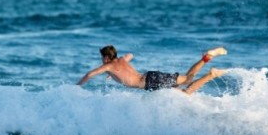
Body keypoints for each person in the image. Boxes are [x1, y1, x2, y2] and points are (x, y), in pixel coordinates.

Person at [77, 45, 227, 94]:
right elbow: (130, 55)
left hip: (150, 83)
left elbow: (90, 74)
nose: (101, 60)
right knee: (187, 79)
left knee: (186, 93)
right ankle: (206, 58)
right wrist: (113, 73)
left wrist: (76, 87)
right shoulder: (121, 59)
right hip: (151, 75)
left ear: (106, 58)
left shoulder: (107, 66)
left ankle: (211, 74)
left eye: (102, 57)